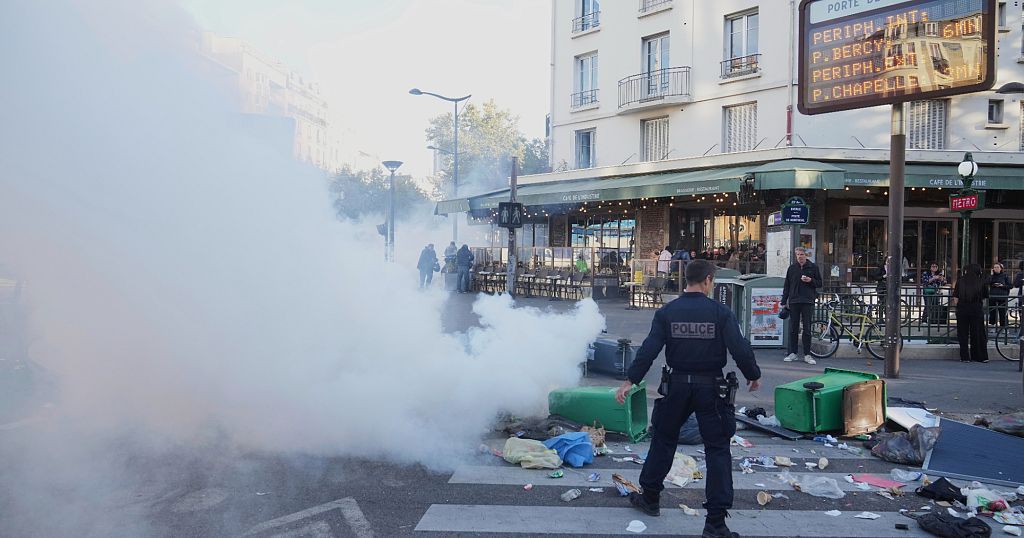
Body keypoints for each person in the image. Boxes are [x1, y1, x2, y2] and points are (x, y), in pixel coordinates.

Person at [615, 260, 760, 538]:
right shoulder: (720, 313)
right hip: (711, 389)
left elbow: (649, 349)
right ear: (707, 280)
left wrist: (630, 381)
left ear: (687, 279)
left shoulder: (667, 312)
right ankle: (715, 522)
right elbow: (739, 348)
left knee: (663, 439)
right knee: (717, 449)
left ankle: (650, 498)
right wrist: (753, 375)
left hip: (676, 386)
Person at [781, 247, 822, 365]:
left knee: (807, 329)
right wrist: (783, 301)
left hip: (808, 301)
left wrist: (810, 280)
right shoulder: (792, 268)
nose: (800, 256)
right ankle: (793, 353)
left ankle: (807, 354)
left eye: (802, 254)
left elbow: (819, 283)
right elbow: (787, 285)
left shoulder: (813, 267)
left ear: (806, 255)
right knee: (793, 328)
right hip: (794, 301)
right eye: (798, 254)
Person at [953, 264, 989, 363]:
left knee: (963, 333)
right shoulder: (981, 281)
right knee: (977, 333)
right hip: (976, 309)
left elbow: (955, 297)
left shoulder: (960, 281)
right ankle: (979, 356)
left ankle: (964, 356)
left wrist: (959, 306)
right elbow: (985, 297)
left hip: (962, 309)